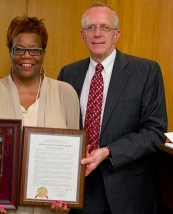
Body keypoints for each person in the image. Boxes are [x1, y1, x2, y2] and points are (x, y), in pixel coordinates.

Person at [57, 2, 167, 214]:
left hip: (127, 192)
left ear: (116, 35)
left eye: (105, 27)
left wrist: (108, 152)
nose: (97, 34)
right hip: (80, 190)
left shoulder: (146, 72)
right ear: (82, 35)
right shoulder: (68, 74)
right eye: (91, 28)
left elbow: (154, 132)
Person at [0, 16, 79, 214]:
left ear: (44, 53)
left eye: (35, 50)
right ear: (10, 51)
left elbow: (72, 159)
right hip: (2, 207)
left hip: (50, 209)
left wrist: (66, 197)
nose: (26, 55)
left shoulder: (66, 94)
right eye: (19, 49)